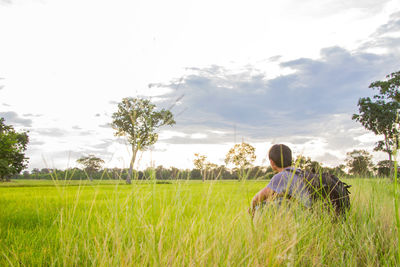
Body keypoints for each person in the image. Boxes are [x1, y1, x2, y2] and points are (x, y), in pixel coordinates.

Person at [250, 144, 311, 215]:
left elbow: (256, 199)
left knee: (259, 206)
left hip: (300, 215)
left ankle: (261, 225)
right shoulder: (300, 173)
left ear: (272, 162)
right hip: (309, 213)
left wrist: (252, 210)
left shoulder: (281, 176)